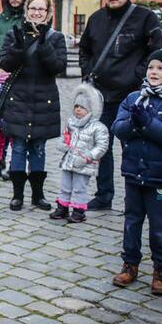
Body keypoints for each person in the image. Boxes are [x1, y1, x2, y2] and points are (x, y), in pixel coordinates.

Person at [79, 0, 162, 211]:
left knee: (134, 148)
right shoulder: (96, 19)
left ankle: (136, 198)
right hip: (101, 97)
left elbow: (157, 51)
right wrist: (88, 71)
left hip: (133, 97)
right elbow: (85, 50)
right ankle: (104, 195)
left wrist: (138, 76)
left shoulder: (144, 18)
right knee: (102, 147)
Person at [111, 49, 162, 297]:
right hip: (134, 172)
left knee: (160, 226)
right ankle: (130, 263)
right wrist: (135, 122)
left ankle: (161, 270)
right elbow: (118, 128)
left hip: (161, 176)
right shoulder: (135, 97)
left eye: (160, 68)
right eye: (151, 67)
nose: (154, 72)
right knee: (132, 221)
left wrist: (148, 123)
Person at [0, 0, 67, 212]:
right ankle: (17, 195)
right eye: (33, 8)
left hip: (44, 101)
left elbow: (58, 67)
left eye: (41, 9)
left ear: (47, 13)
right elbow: (6, 64)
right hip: (19, 98)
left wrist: (44, 41)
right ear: (27, 11)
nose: (36, 13)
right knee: (18, 147)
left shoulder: (56, 38)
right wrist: (20, 45)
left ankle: (38, 195)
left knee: (38, 148)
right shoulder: (14, 34)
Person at [51, 84, 109, 223]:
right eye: (76, 107)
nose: (78, 110)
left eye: (82, 107)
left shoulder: (98, 127)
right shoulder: (71, 123)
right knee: (65, 186)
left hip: (83, 164)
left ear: (90, 109)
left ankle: (79, 210)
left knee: (79, 188)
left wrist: (88, 157)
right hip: (69, 161)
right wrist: (63, 144)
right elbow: (65, 137)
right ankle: (63, 207)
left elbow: (102, 146)